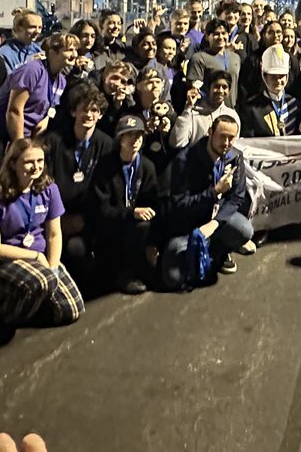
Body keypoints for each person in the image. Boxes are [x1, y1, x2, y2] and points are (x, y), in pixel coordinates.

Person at [0, 138, 85, 327]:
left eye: (40, 161)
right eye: (29, 162)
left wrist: (53, 267)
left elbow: (54, 234)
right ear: (13, 164)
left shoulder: (49, 189)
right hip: (5, 260)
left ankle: (33, 304)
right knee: (43, 282)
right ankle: (8, 312)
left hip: (40, 260)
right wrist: (35, 256)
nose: (36, 167)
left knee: (73, 309)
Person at [154, 114, 254, 286]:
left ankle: (218, 249)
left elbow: (237, 197)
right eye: (222, 136)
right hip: (188, 224)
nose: (227, 143)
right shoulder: (185, 161)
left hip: (214, 219)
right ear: (210, 132)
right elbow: (180, 205)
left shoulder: (235, 156)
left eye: (232, 138)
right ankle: (198, 248)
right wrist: (215, 192)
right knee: (173, 279)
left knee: (245, 230)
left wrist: (215, 223)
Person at [41, 83, 114, 281]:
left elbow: (105, 191)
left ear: (100, 114)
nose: (89, 115)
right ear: (73, 111)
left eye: (94, 110)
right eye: (84, 109)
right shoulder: (53, 141)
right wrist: (58, 219)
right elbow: (43, 184)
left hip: (88, 219)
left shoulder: (106, 145)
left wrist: (84, 220)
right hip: (55, 218)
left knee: (78, 250)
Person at [90, 114, 161, 293]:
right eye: (129, 135)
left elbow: (153, 203)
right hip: (112, 227)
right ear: (120, 138)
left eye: (138, 135)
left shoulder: (147, 166)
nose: (134, 140)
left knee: (146, 225)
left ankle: (141, 267)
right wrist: (130, 212)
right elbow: (102, 209)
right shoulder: (106, 166)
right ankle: (124, 273)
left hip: (136, 227)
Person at [0, 32, 78, 141]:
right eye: (69, 50)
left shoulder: (61, 81)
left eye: (75, 50)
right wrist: (19, 144)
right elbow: (14, 110)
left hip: (27, 137)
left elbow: (45, 116)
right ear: (52, 51)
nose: (75, 55)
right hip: (1, 134)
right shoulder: (32, 70)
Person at [239, 44, 301, 137]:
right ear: (264, 76)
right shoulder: (251, 108)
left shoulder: (296, 105)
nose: (278, 80)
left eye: (281, 76)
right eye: (273, 76)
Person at [171, 69, 241, 150]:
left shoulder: (232, 115)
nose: (220, 91)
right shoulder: (193, 113)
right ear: (209, 88)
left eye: (224, 87)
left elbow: (234, 147)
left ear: (229, 91)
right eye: (217, 86)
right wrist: (188, 109)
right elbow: (176, 142)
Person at [186, 19, 242, 104]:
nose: (220, 37)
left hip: (230, 110)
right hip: (207, 111)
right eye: (216, 34)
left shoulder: (235, 57)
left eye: (224, 33)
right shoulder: (199, 58)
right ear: (207, 36)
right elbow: (194, 89)